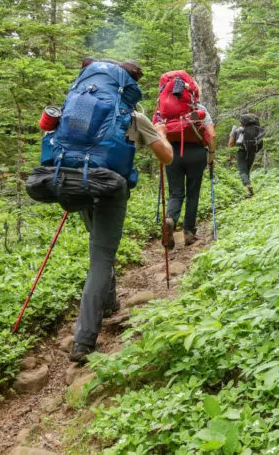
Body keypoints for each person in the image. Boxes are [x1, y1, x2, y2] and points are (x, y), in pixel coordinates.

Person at [70, 59, 174, 366]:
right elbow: (166, 157)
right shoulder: (133, 116)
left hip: (74, 181)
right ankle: (83, 340)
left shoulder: (79, 105)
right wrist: (161, 133)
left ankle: (110, 302)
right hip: (110, 189)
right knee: (101, 258)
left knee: (99, 246)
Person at [162, 101, 215, 249]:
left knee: (175, 193)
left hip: (172, 152)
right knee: (193, 193)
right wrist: (210, 157)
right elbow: (211, 135)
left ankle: (171, 219)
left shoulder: (165, 109)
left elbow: (156, 131)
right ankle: (189, 232)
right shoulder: (199, 109)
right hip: (196, 153)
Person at [229, 113, 265, 196]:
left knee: (242, 171)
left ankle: (247, 186)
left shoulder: (236, 129)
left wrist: (231, 153)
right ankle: (248, 189)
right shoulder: (256, 129)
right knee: (247, 170)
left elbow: (231, 142)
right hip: (252, 150)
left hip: (240, 150)